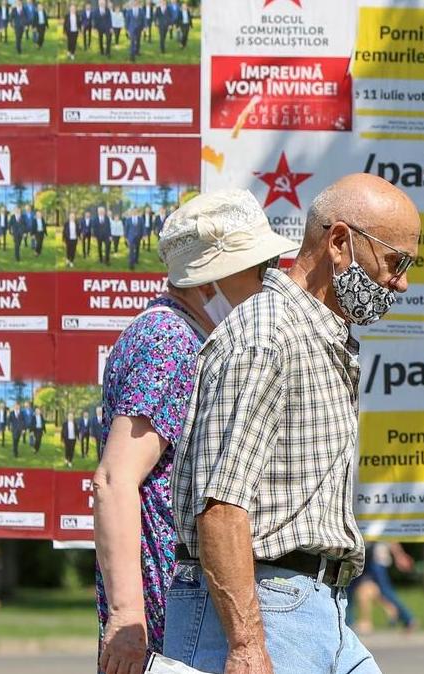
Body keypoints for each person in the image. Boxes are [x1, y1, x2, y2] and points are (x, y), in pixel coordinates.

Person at [164, 174, 420, 673]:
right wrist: (246, 645)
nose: (402, 282)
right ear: (340, 243)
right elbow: (220, 507)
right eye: (396, 261)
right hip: (264, 610)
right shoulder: (267, 335)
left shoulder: (316, 334)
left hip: (318, 605)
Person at [93, 189, 295, 674]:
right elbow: (115, 481)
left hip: (177, 605)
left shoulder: (189, 336)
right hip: (164, 613)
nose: (271, 278)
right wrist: (128, 618)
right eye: (258, 266)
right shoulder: (169, 341)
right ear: (211, 279)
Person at [346, 542, 416, 634]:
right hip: (364, 558)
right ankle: (348, 623)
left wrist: (399, 555)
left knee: (384, 591)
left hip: (376, 560)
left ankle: (407, 618)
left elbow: (390, 537)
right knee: (350, 589)